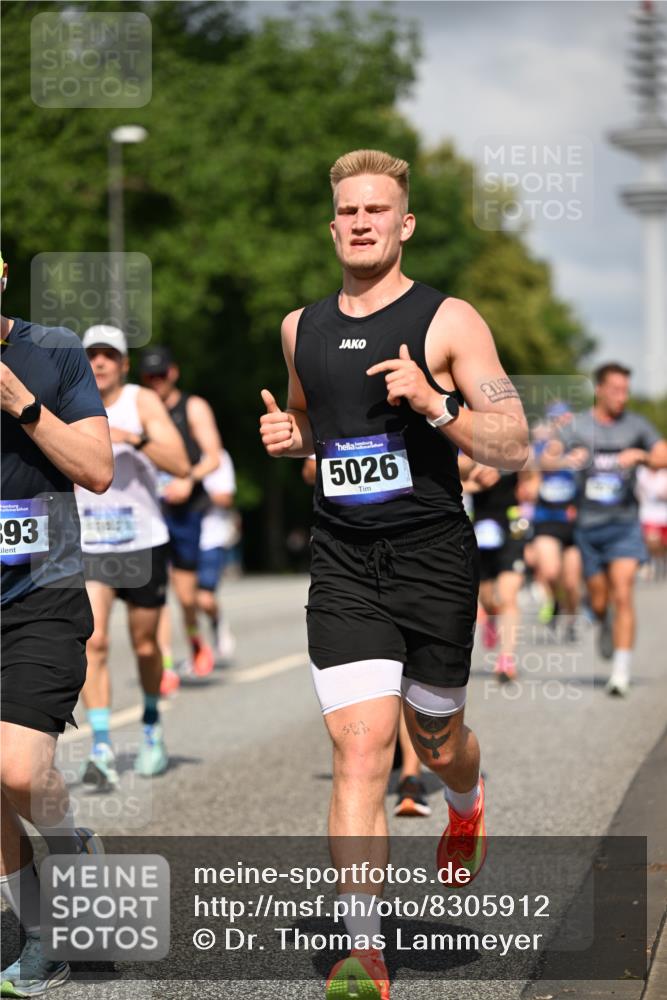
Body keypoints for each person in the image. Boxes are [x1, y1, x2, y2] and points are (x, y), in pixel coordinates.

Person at [259, 149, 528, 999]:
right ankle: (363, 952)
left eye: (377, 210)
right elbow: (313, 427)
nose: (362, 222)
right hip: (342, 561)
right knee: (363, 747)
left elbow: (512, 439)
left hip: (432, 561)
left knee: (437, 737)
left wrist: (436, 402)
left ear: (404, 224)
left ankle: (466, 800)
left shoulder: (449, 320)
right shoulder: (298, 327)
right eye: (348, 211)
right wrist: (290, 442)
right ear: (332, 222)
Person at [0, 254, 113, 994]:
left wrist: (24, 407)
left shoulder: (54, 352)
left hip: (39, 596)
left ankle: (71, 839)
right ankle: (42, 937)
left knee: (16, 770)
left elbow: (98, 470)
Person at [75, 326, 190, 787]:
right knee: (93, 641)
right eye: (92, 355)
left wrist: (133, 439)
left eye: (109, 355)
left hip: (141, 540)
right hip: (89, 541)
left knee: (145, 645)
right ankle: (101, 746)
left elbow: (181, 464)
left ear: (124, 363)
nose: (100, 362)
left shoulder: (141, 401)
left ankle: (150, 727)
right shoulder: (67, 398)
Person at [558, 363, 667, 695]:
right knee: (601, 600)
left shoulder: (636, 425)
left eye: (626, 389)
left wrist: (643, 458)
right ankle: (600, 619)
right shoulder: (577, 425)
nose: (623, 396)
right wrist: (566, 457)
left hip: (623, 524)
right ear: (600, 390)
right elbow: (545, 456)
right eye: (616, 389)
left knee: (623, 594)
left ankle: (620, 673)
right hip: (588, 527)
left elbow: (662, 453)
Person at [138, 346, 222, 689]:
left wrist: (188, 479)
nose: (156, 382)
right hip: (149, 510)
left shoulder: (194, 407)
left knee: (186, 597)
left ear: (173, 373)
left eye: (161, 375)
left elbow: (213, 456)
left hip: (186, 509)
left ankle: (195, 637)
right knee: (156, 593)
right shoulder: (139, 407)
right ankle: (167, 665)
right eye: (149, 377)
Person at [531, 403, 582, 639]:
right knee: (550, 573)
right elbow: (541, 465)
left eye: (565, 421)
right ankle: (556, 603)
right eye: (556, 421)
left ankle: (571, 618)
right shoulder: (542, 447)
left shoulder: (582, 447)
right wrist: (565, 459)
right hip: (546, 517)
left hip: (574, 520)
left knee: (572, 582)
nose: (561, 425)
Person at [196, 448, 238, 664]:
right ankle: (197, 652)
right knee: (185, 600)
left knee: (204, 599)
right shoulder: (169, 447)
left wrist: (195, 488)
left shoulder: (218, 456)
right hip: (177, 537)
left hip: (211, 537)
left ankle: (217, 622)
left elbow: (226, 498)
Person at [637, 465, 667, 581]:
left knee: (663, 546)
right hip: (648, 515)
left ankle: (662, 562)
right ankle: (652, 563)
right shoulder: (641, 472)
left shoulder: (664, 472)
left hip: (664, 515)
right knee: (652, 541)